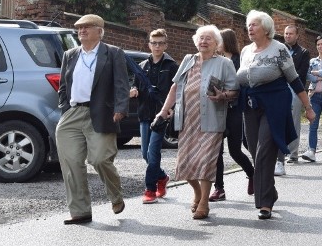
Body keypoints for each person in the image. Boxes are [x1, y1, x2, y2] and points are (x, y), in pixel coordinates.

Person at [236, 10, 315, 220]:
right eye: (248, 25)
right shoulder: (245, 51)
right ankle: (270, 192)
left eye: (254, 24)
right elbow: (240, 80)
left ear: (266, 28)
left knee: (264, 151)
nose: (250, 28)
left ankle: (265, 203)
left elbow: (294, 79)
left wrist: (308, 107)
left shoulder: (279, 49)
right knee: (254, 150)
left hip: (275, 105)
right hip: (250, 106)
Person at [154, 25, 237, 220]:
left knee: (205, 163)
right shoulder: (187, 60)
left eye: (208, 38)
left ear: (216, 43)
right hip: (187, 120)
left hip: (211, 120)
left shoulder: (224, 63)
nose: (204, 41)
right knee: (185, 163)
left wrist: (223, 95)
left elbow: (235, 91)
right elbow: (175, 87)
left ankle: (204, 203)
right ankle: (198, 193)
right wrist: (164, 111)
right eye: (201, 38)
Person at [56, 14, 129, 225]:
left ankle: (116, 195)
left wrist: (121, 108)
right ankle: (80, 211)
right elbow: (63, 86)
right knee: (71, 163)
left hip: (102, 112)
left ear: (100, 31)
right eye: (79, 28)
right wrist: (64, 108)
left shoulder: (113, 53)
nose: (82, 30)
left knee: (99, 159)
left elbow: (122, 84)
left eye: (87, 27)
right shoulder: (70, 55)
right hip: (72, 114)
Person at [129, 28, 179, 205]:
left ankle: (150, 189)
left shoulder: (172, 66)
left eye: (160, 43)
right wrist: (133, 91)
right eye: (154, 43)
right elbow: (135, 87)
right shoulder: (142, 67)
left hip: (161, 116)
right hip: (144, 114)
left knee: (153, 152)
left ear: (165, 45)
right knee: (145, 154)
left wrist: (171, 108)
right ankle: (162, 177)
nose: (157, 46)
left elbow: (178, 90)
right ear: (149, 44)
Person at [211, 28, 255, 202]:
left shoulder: (238, 61)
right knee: (217, 151)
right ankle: (219, 188)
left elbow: (241, 85)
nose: (216, 43)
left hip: (234, 110)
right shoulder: (215, 61)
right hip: (217, 110)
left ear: (225, 41)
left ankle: (252, 174)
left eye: (218, 40)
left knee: (235, 150)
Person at [276, 24, 310, 174]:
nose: (288, 36)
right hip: (280, 89)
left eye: (291, 34)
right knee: (279, 121)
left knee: (294, 120)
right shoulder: (278, 50)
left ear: (297, 36)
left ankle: (293, 153)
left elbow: (301, 74)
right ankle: (280, 152)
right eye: (286, 33)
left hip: (295, 90)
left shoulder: (303, 52)